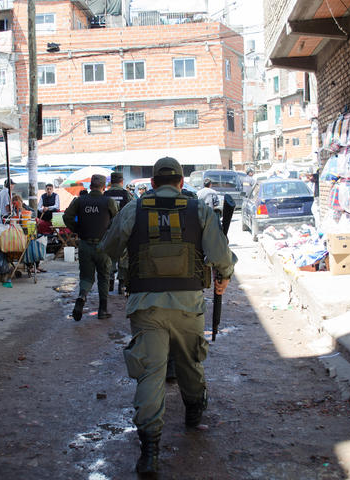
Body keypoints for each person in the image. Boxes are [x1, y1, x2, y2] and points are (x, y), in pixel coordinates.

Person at [99, 157, 236, 476]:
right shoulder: (198, 209)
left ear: (152, 183)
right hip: (188, 302)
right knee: (190, 361)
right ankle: (193, 412)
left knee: (150, 372)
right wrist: (224, 275)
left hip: (146, 304)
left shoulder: (134, 208)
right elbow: (220, 254)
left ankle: (149, 452)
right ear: (181, 183)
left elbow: (109, 248)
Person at [63, 174, 118, 321]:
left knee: (86, 277)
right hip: (103, 245)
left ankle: (82, 296)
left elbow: (67, 217)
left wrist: (77, 229)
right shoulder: (108, 201)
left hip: (85, 244)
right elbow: (117, 220)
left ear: (90, 186)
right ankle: (102, 310)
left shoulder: (80, 201)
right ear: (104, 187)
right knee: (104, 277)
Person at [104, 172, 134, 294]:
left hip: (109, 230)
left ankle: (110, 281)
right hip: (123, 230)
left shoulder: (105, 194)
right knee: (123, 257)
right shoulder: (126, 194)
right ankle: (121, 283)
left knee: (110, 256)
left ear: (111, 182)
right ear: (122, 181)